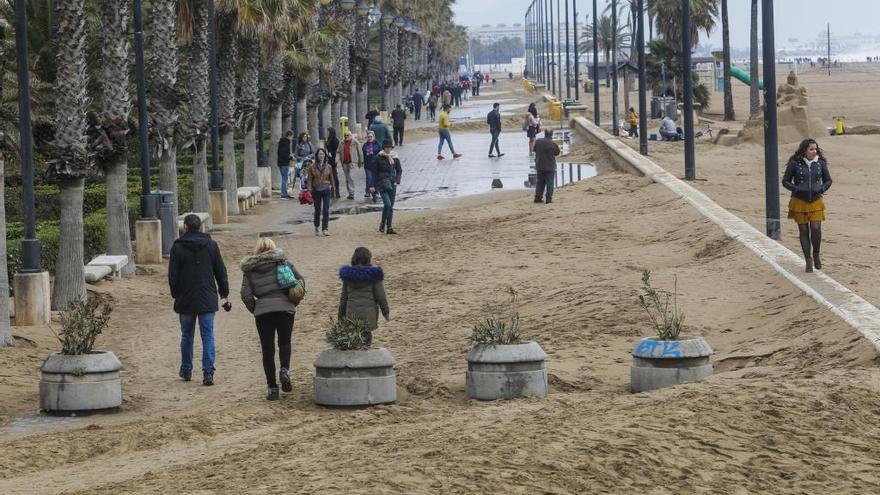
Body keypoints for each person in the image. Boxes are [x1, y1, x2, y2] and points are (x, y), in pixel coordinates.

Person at [240, 237, 304, 400]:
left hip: (263, 312)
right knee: (285, 342)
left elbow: (245, 294)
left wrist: (255, 308)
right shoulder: (283, 263)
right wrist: (293, 301)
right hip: (285, 309)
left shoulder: (250, 269)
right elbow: (300, 281)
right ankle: (285, 370)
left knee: (267, 350)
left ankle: (272, 388)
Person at [168, 214, 229, 386]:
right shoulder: (211, 245)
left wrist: (175, 293)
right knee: (208, 335)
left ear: (185, 227)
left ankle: (186, 369)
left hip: (185, 297)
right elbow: (220, 271)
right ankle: (208, 372)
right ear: (200, 227)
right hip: (207, 296)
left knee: (187, 335)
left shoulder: (177, 247)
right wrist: (224, 293)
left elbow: (173, 275)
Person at [782, 138, 832, 273]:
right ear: (805, 150)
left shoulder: (820, 163)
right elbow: (785, 181)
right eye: (811, 149)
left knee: (816, 228)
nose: (814, 151)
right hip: (799, 201)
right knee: (803, 231)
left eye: (815, 149)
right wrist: (796, 189)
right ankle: (808, 260)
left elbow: (828, 181)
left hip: (816, 200)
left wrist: (821, 189)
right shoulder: (795, 163)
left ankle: (816, 254)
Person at [337, 247, 390, 347]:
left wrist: (340, 317)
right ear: (368, 258)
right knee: (366, 339)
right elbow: (381, 296)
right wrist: (385, 312)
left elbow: (343, 299)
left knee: (354, 340)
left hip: (351, 315)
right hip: (368, 315)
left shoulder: (347, 276)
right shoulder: (374, 275)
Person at [375, 139, 403, 234]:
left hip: (392, 183)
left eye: (389, 147)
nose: (388, 149)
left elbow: (399, 170)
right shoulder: (379, 157)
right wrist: (373, 185)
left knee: (391, 206)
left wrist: (397, 180)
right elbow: (375, 172)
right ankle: (383, 222)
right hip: (382, 183)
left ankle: (389, 227)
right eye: (386, 147)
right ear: (383, 148)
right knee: (387, 204)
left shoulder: (395, 157)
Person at [306, 148, 335, 236]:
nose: (321, 156)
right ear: (317, 156)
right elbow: (310, 179)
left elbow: (332, 178)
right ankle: (316, 226)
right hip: (316, 190)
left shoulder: (329, 166)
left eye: (323, 154)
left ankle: (325, 228)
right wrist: (309, 190)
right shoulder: (312, 167)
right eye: (320, 154)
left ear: (325, 156)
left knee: (326, 210)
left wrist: (333, 188)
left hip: (326, 189)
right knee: (317, 210)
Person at [533, 129, 560, 204]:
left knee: (540, 182)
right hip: (550, 166)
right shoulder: (553, 143)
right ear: (551, 134)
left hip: (539, 165)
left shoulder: (538, 141)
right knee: (550, 183)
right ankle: (548, 199)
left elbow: (534, 149)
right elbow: (557, 153)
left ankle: (538, 197)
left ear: (544, 133)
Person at [336, 129, 363, 200]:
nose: (346, 136)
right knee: (347, 178)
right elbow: (338, 152)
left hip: (352, 162)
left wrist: (361, 161)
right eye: (345, 135)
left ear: (351, 135)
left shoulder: (355, 142)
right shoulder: (341, 142)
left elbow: (360, 152)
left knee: (351, 177)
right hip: (344, 162)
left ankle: (352, 192)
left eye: (347, 135)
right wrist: (337, 160)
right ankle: (350, 193)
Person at [362, 130, 381, 203]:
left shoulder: (378, 144)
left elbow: (380, 154)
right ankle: (368, 191)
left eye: (371, 136)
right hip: (368, 165)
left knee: (376, 179)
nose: (369, 138)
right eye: (368, 137)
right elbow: (363, 155)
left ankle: (376, 192)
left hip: (376, 165)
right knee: (369, 178)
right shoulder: (365, 145)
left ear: (374, 137)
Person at [276, 130, 295, 199]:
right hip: (284, 163)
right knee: (284, 178)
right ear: (289, 136)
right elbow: (284, 154)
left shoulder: (283, 142)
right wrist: (290, 157)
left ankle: (285, 193)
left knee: (284, 178)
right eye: (292, 137)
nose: (292, 138)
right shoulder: (285, 143)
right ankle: (283, 194)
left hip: (282, 162)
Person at [325, 127, 341, 199]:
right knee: (331, 175)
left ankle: (336, 191)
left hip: (333, 160)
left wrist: (331, 154)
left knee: (334, 175)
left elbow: (336, 151)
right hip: (329, 159)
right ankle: (333, 191)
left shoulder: (335, 140)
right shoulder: (329, 139)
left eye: (328, 132)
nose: (327, 133)